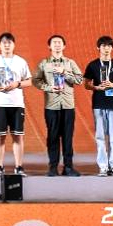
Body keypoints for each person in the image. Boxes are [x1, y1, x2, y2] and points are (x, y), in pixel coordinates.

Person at [31, 34, 83, 176]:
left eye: (60, 42)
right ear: (49, 46)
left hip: (68, 106)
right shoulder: (44, 63)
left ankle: (68, 167)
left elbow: (79, 80)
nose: (57, 44)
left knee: (67, 137)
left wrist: (65, 72)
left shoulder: (70, 63)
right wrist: (49, 88)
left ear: (64, 46)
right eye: (54, 42)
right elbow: (35, 80)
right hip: (51, 106)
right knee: (52, 136)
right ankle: (53, 167)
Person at [0, 32, 32, 176]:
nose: (7, 45)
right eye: (4, 42)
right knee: (0, 136)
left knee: (18, 136)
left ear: (14, 45)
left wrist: (17, 84)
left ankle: (19, 167)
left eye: (9, 42)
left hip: (17, 104)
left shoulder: (20, 61)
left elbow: (29, 81)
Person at [82, 35, 113, 177]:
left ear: (112, 48)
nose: (106, 48)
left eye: (109, 46)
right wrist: (97, 87)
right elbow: (86, 84)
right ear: (98, 47)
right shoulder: (93, 65)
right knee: (100, 137)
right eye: (103, 46)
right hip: (98, 104)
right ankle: (103, 167)